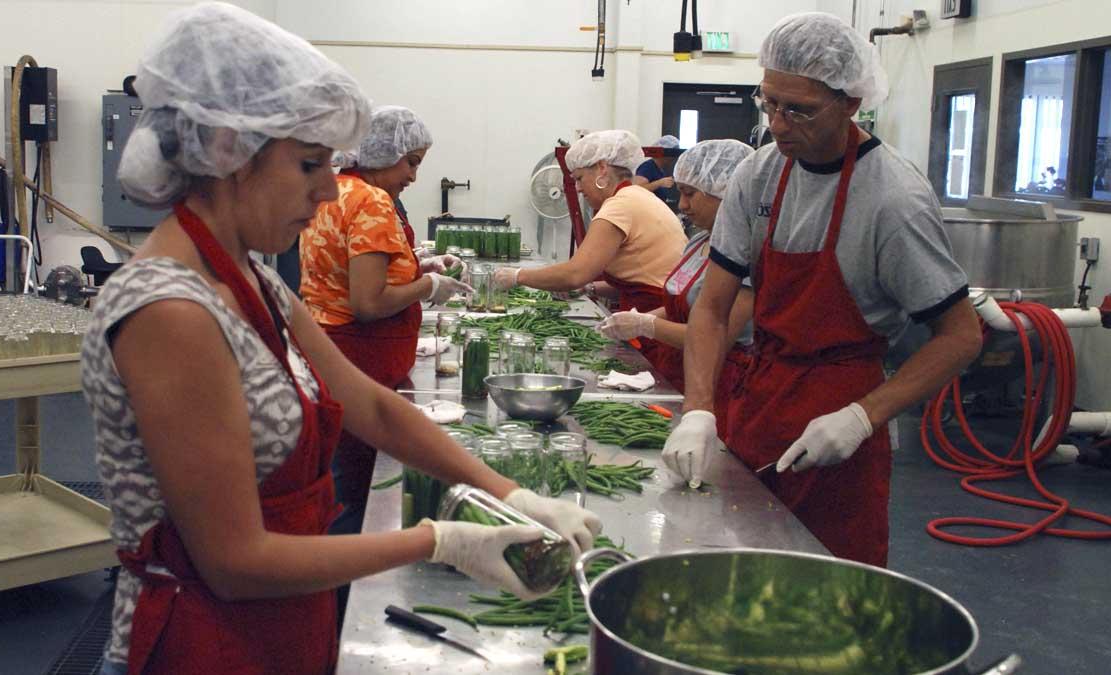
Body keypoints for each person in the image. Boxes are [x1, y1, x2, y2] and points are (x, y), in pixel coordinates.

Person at [82, 5, 599, 675]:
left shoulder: (253, 279)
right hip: (199, 638)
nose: (329, 190)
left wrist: (511, 492)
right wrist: (436, 540)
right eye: (309, 164)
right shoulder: (171, 310)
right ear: (229, 153)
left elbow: (376, 407)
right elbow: (235, 562)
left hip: (278, 626)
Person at [662, 12, 982, 567]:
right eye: (770, 105)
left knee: (827, 589)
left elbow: (959, 336)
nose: (780, 125)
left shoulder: (893, 200)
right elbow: (713, 309)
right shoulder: (758, 175)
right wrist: (698, 409)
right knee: (738, 568)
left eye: (800, 110)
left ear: (850, 103)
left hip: (840, 421)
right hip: (759, 404)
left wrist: (861, 417)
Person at [299, 105, 470, 544]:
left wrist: (418, 264)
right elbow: (369, 303)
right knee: (357, 488)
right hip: (363, 357)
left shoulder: (334, 190)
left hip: (326, 351)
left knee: (336, 479)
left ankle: (333, 578)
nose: (413, 176)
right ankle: (343, 590)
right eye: (410, 162)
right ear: (381, 151)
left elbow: (349, 267)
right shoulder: (373, 200)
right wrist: (428, 286)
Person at [493, 130, 687, 376]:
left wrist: (518, 276)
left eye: (579, 178)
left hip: (659, 329)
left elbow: (575, 273)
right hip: (656, 318)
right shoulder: (636, 197)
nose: (577, 188)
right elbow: (643, 274)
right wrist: (592, 289)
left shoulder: (620, 205)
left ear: (602, 169)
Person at [596, 140, 755, 408]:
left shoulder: (747, 255)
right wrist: (638, 318)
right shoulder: (698, 242)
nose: (682, 205)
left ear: (725, 191)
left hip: (719, 383)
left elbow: (717, 336)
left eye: (690, 194)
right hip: (675, 371)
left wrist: (647, 326)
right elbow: (678, 305)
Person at [633, 134, 681, 210]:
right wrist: (659, 183)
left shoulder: (661, 169)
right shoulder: (647, 167)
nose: (673, 158)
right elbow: (637, 189)